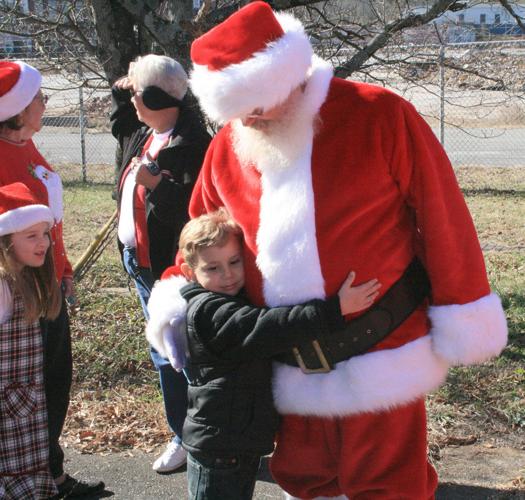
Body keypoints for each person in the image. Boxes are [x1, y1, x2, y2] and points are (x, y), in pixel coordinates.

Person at [147, 3, 508, 499]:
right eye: (236, 107)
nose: (248, 117)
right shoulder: (229, 145)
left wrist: (463, 306)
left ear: (289, 76)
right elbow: (200, 233)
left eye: (257, 100)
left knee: (389, 486)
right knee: (307, 481)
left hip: (382, 351)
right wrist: (176, 297)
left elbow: (441, 213)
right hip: (285, 358)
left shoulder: (377, 113)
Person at [148, 209, 381, 500]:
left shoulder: (222, 299)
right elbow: (268, 327)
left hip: (231, 443)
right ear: (189, 272)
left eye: (235, 262)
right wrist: (335, 310)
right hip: (220, 450)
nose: (228, 275)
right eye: (213, 268)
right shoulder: (210, 312)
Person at [0, 60, 104, 497]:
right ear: (19, 108)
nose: (46, 103)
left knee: (54, 379)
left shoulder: (28, 145)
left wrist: (63, 271)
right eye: (39, 97)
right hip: (22, 292)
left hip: (49, 282)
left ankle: (49, 470)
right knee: (29, 388)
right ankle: (36, 476)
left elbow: (48, 224)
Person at [111, 54, 211, 473]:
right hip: (139, 262)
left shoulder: (191, 145)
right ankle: (188, 431)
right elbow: (121, 123)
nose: (132, 101)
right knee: (163, 349)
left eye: (138, 94)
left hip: (170, 269)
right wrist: (125, 89)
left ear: (154, 98)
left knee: (175, 352)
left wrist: (159, 188)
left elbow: (197, 217)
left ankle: (192, 435)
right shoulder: (144, 132)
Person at [0, 182, 60, 500]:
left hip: (22, 414)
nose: (44, 243)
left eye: (45, 233)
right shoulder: (2, 288)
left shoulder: (23, 278)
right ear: (6, 241)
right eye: (31, 236)